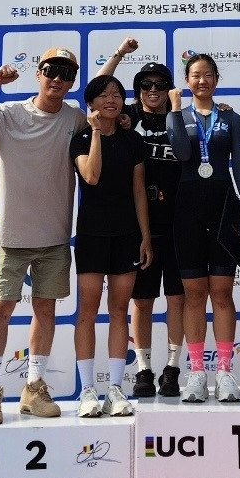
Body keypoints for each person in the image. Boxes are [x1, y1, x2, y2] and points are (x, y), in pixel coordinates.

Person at [0, 48, 86, 425]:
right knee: (0, 309)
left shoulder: (75, 117)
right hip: (12, 236)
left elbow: (105, 116)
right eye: (51, 70)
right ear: (39, 73)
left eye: (66, 73)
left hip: (55, 237)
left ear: (72, 81)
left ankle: (33, 387)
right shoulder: (7, 113)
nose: (58, 79)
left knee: (45, 310)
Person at [96, 38, 185, 398]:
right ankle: (144, 368)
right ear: (136, 91)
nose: (153, 89)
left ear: (169, 89)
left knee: (177, 299)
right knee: (143, 301)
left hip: (178, 223)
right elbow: (97, 90)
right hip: (139, 225)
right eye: (145, 84)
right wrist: (118, 54)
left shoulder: (183, 116)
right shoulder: (126, 117)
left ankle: (173, 368)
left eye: (160, 84)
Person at [166, 54, 240, 403]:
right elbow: (182, 153)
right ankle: (197, 374)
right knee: (193, 295)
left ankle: (225, 372)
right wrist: (176, 111)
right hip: (187, 211)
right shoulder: (178, 115)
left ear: (216, 79)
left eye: (207, 75)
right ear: (187, 81)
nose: (201, 81)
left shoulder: (230, 118)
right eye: (195, 75)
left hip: (224, 208)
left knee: (221, 293)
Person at [71, 74, 152, 417]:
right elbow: (91, 175)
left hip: (127, 235)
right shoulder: (80, 139)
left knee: (119, 310)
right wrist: (95, 134)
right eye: (103, 95)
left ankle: (116, 389)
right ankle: (88, 390)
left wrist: (145, 236)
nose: (111, 100)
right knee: (87, 312)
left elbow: (139, 191)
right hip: (92, 235)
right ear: (91, 103)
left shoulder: (133, 140)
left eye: (117, 94)